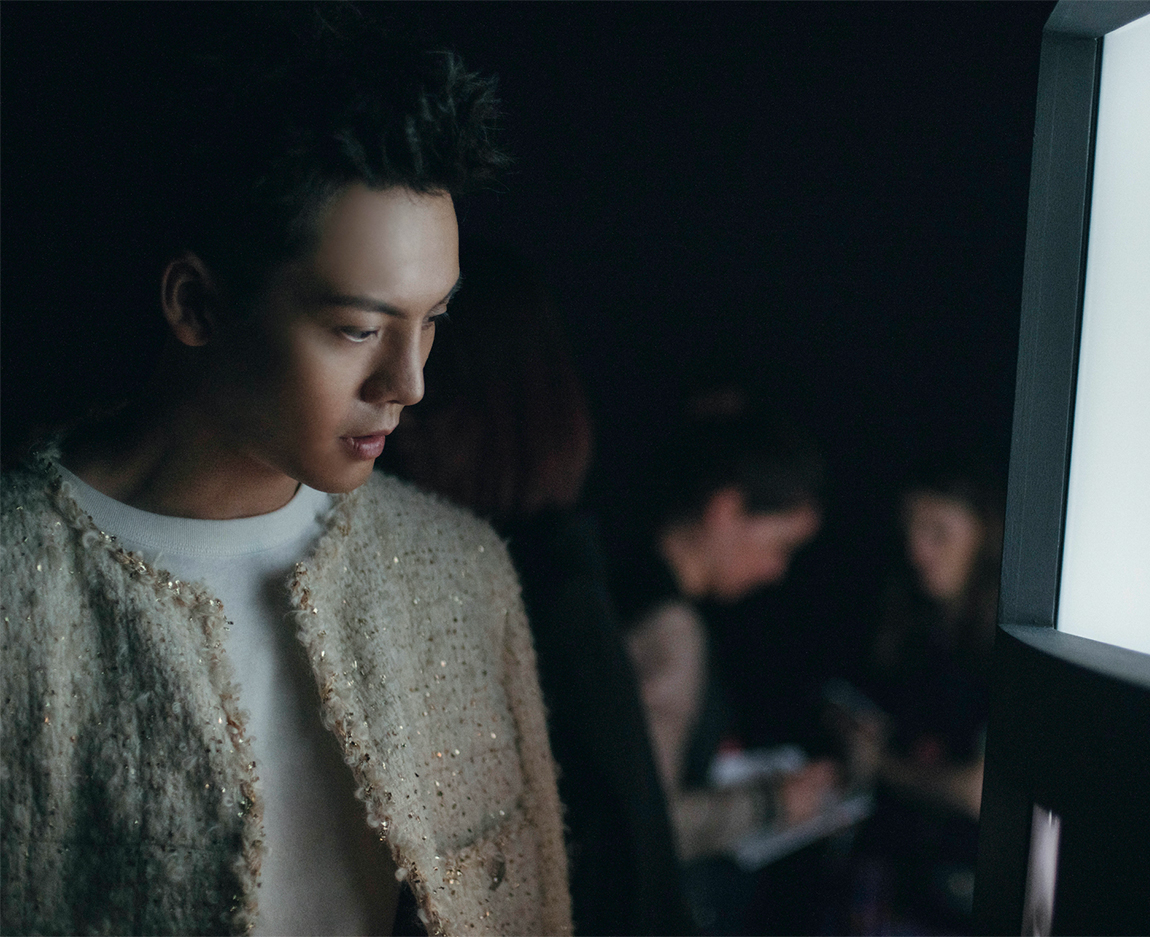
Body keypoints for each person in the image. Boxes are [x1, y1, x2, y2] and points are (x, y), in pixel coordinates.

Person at [0, 11, 569, 935]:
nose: (409, 382)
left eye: (432, 320)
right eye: (358, 328)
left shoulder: (460, 572)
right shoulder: (19, 587)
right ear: (196, 304)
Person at [385, 242, 694, 936]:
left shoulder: (530, 590)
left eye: (426, 335)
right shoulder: (555, 571)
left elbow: (618, 860)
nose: (399, 392)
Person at [611, 407, 839, 930]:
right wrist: (775, 802)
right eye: (781, 546)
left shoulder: (619, 576)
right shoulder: (672, 630)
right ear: (726, 508)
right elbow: (649, 820)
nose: (778, 571)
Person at [838, 453, 1003, 933]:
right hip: (897, 877)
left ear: (984, 534)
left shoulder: (1005, 647)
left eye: (938, 531)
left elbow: (979, 791)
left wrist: (880, 765)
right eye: (909, 529)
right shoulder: (913, 626)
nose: (917, 549)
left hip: (962, 895)